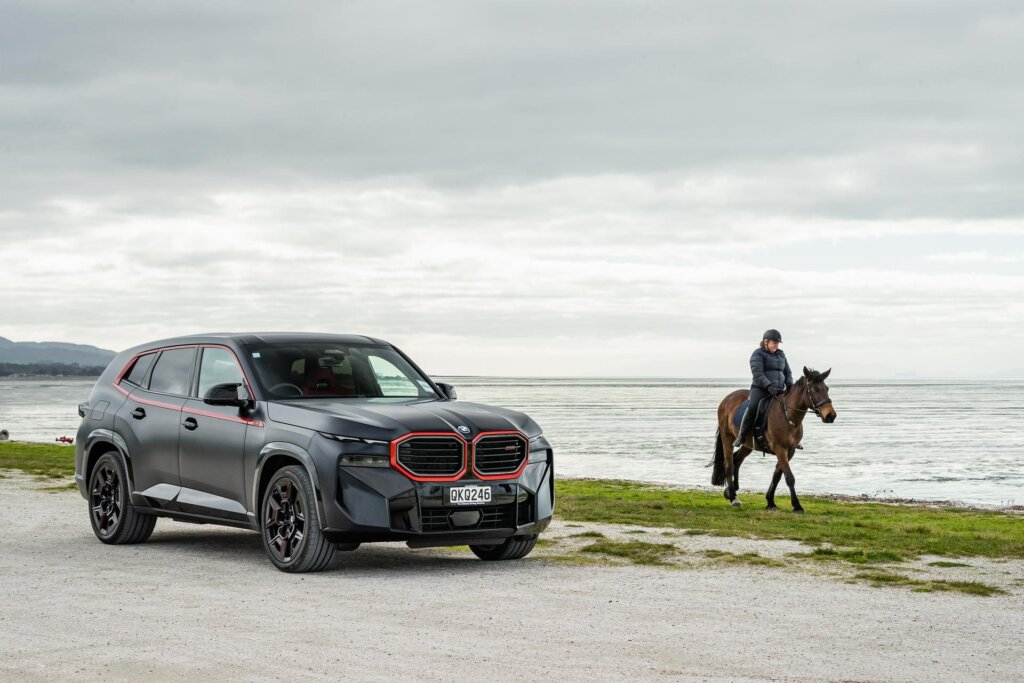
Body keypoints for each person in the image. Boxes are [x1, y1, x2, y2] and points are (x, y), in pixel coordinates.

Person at [733, 329, 794, 448]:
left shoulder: (781, 354)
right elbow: (757, 373)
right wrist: (768, 386)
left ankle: (792, 437)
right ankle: (742, 435)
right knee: (752, 407)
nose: (776, 345)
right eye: (774, 343)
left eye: (777, 343)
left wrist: (790, 384)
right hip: (760, 389)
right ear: (766, 342)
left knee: (790, 408)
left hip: (779, 390)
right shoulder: (758, 354)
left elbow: (788, 372)